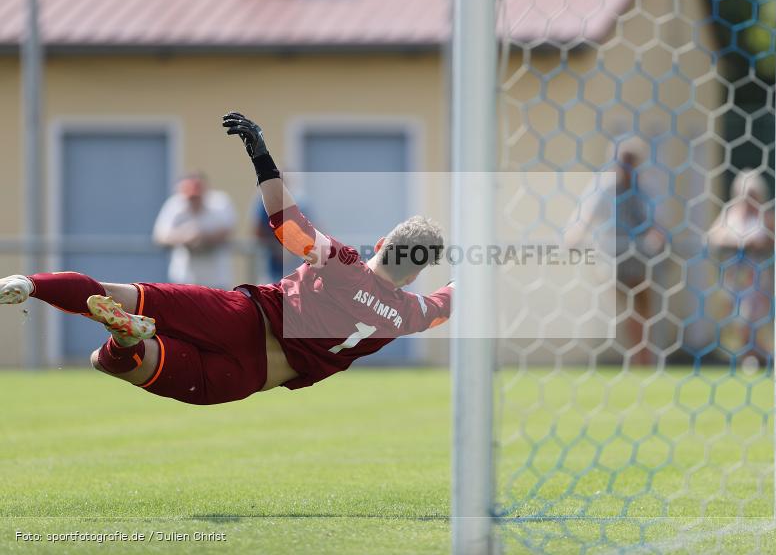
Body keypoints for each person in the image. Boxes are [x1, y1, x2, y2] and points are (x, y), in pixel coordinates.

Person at [0, 112, 453, 405]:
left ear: (382, 242)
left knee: (113, 293)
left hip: (238, 318)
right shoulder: (408, 314)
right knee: (109, 361)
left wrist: (261, 155)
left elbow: (288, 226)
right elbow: (444, 306)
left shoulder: (345, 266)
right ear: (416, 273)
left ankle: (29, 284)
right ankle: (123, 338)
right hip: (246, 377)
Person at [564, 138, 665, 365]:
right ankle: (640, 357)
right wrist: (575, 235)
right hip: (614, 257)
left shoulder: (646, 186)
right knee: (629, 309)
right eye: (622, 161)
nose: (626, 167)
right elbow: (585, 214)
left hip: (642, 256)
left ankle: (644, 358)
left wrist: (657, 234)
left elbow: (656, 220)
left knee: (643, 307)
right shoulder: (605, 186)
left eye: (631, 161)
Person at [708, 169, 775, 365]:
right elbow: (713, 237)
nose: (749, 199)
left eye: (753, 195)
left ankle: (755, 356)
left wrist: (758, 243)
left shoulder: (765, 215)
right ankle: (756, 355)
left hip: (756, 277)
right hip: (734, 276)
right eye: (746, 194)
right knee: (738, 320)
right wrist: (737, 242)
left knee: (752, 317)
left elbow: (773, 239)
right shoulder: (730, 214)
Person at [153, 173, 237, 289]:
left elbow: (228, 230)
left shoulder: (220, 203)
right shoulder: (174, 204)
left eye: (196, 196)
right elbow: (160, 236)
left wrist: (203, 237)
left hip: (216, 279)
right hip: (184, 279)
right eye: (190, 197)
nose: (193, 201)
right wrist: (186, 236)